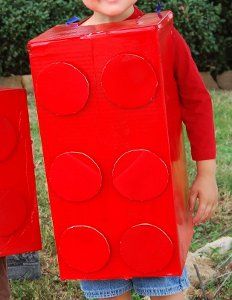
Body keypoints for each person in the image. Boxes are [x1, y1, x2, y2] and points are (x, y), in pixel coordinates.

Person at [77, 1, 219, 299]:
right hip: (97, 206)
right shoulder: (67, 43)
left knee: (164, 283)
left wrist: (206, 173)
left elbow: (196, 101)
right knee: (105, 279)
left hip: (154, 197)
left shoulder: (165, 35)